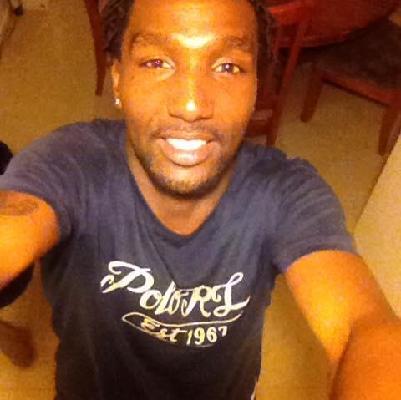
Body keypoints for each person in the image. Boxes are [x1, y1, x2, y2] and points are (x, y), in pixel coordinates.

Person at [0, 0, 400, 399]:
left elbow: (362, 328)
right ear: (118, 78)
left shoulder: (286, 191)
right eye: (156, 62)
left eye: (228, 67)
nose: (191, 106)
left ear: (256, 87)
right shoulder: (67, 165)